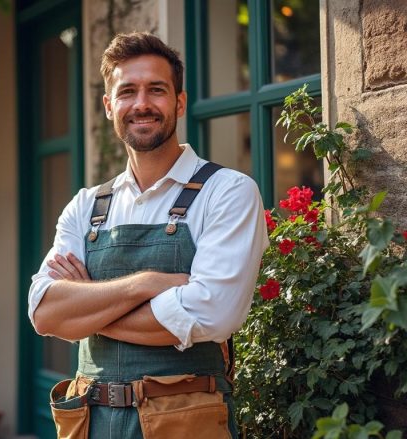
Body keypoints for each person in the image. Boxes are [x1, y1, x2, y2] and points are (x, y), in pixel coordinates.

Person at [28, 31, 268, 438]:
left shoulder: (226, 191)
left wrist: (87, 310)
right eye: (127, 92)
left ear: (179, 102)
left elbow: (211, 314)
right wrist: (149, 284)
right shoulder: (86, 206)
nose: (141, 104)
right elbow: (45, 312)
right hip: (89, 422)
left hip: (186, 421)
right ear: (109, 106)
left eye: (156, 90)